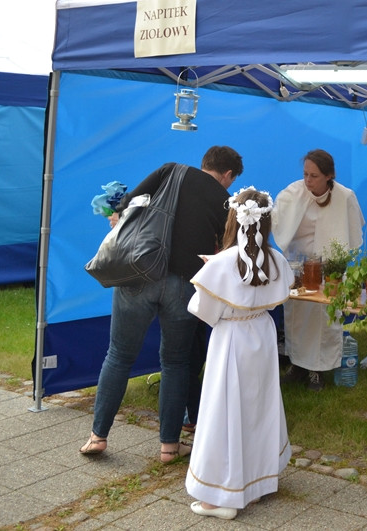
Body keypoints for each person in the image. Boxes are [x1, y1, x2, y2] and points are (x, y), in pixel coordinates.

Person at [79, 145, 244, 462]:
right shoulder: (226, 201)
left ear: (203, 162)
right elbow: (227, 248)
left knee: (119, 356)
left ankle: (98, 437)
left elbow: (128, 204)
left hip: (138, 274)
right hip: (182, 285)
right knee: (176, 363)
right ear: (228, 175)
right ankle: (169, 446)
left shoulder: (171, 171)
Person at [185, 187, 294, 520]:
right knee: (257, 409)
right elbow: (276, 297)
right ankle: (256, 484)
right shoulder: (277, 260)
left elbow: (203, 310)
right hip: (261, 334)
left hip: (231, 341)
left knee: (226, 412)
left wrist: (213, 272)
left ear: (233, 219)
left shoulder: (220, 264)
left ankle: (224, 497)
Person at [271, 149, 364, 391]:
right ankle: (298, 365)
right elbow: (275, 219)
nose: (308, 180)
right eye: (305, 174)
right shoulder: (293, 193)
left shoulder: (345, 197)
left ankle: (318, 370)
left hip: (329, 271)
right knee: (297, 318)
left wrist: (336, 264)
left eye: (314, 176)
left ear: (329, 176)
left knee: (324, 320)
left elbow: (354, 231)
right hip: (299, 269)